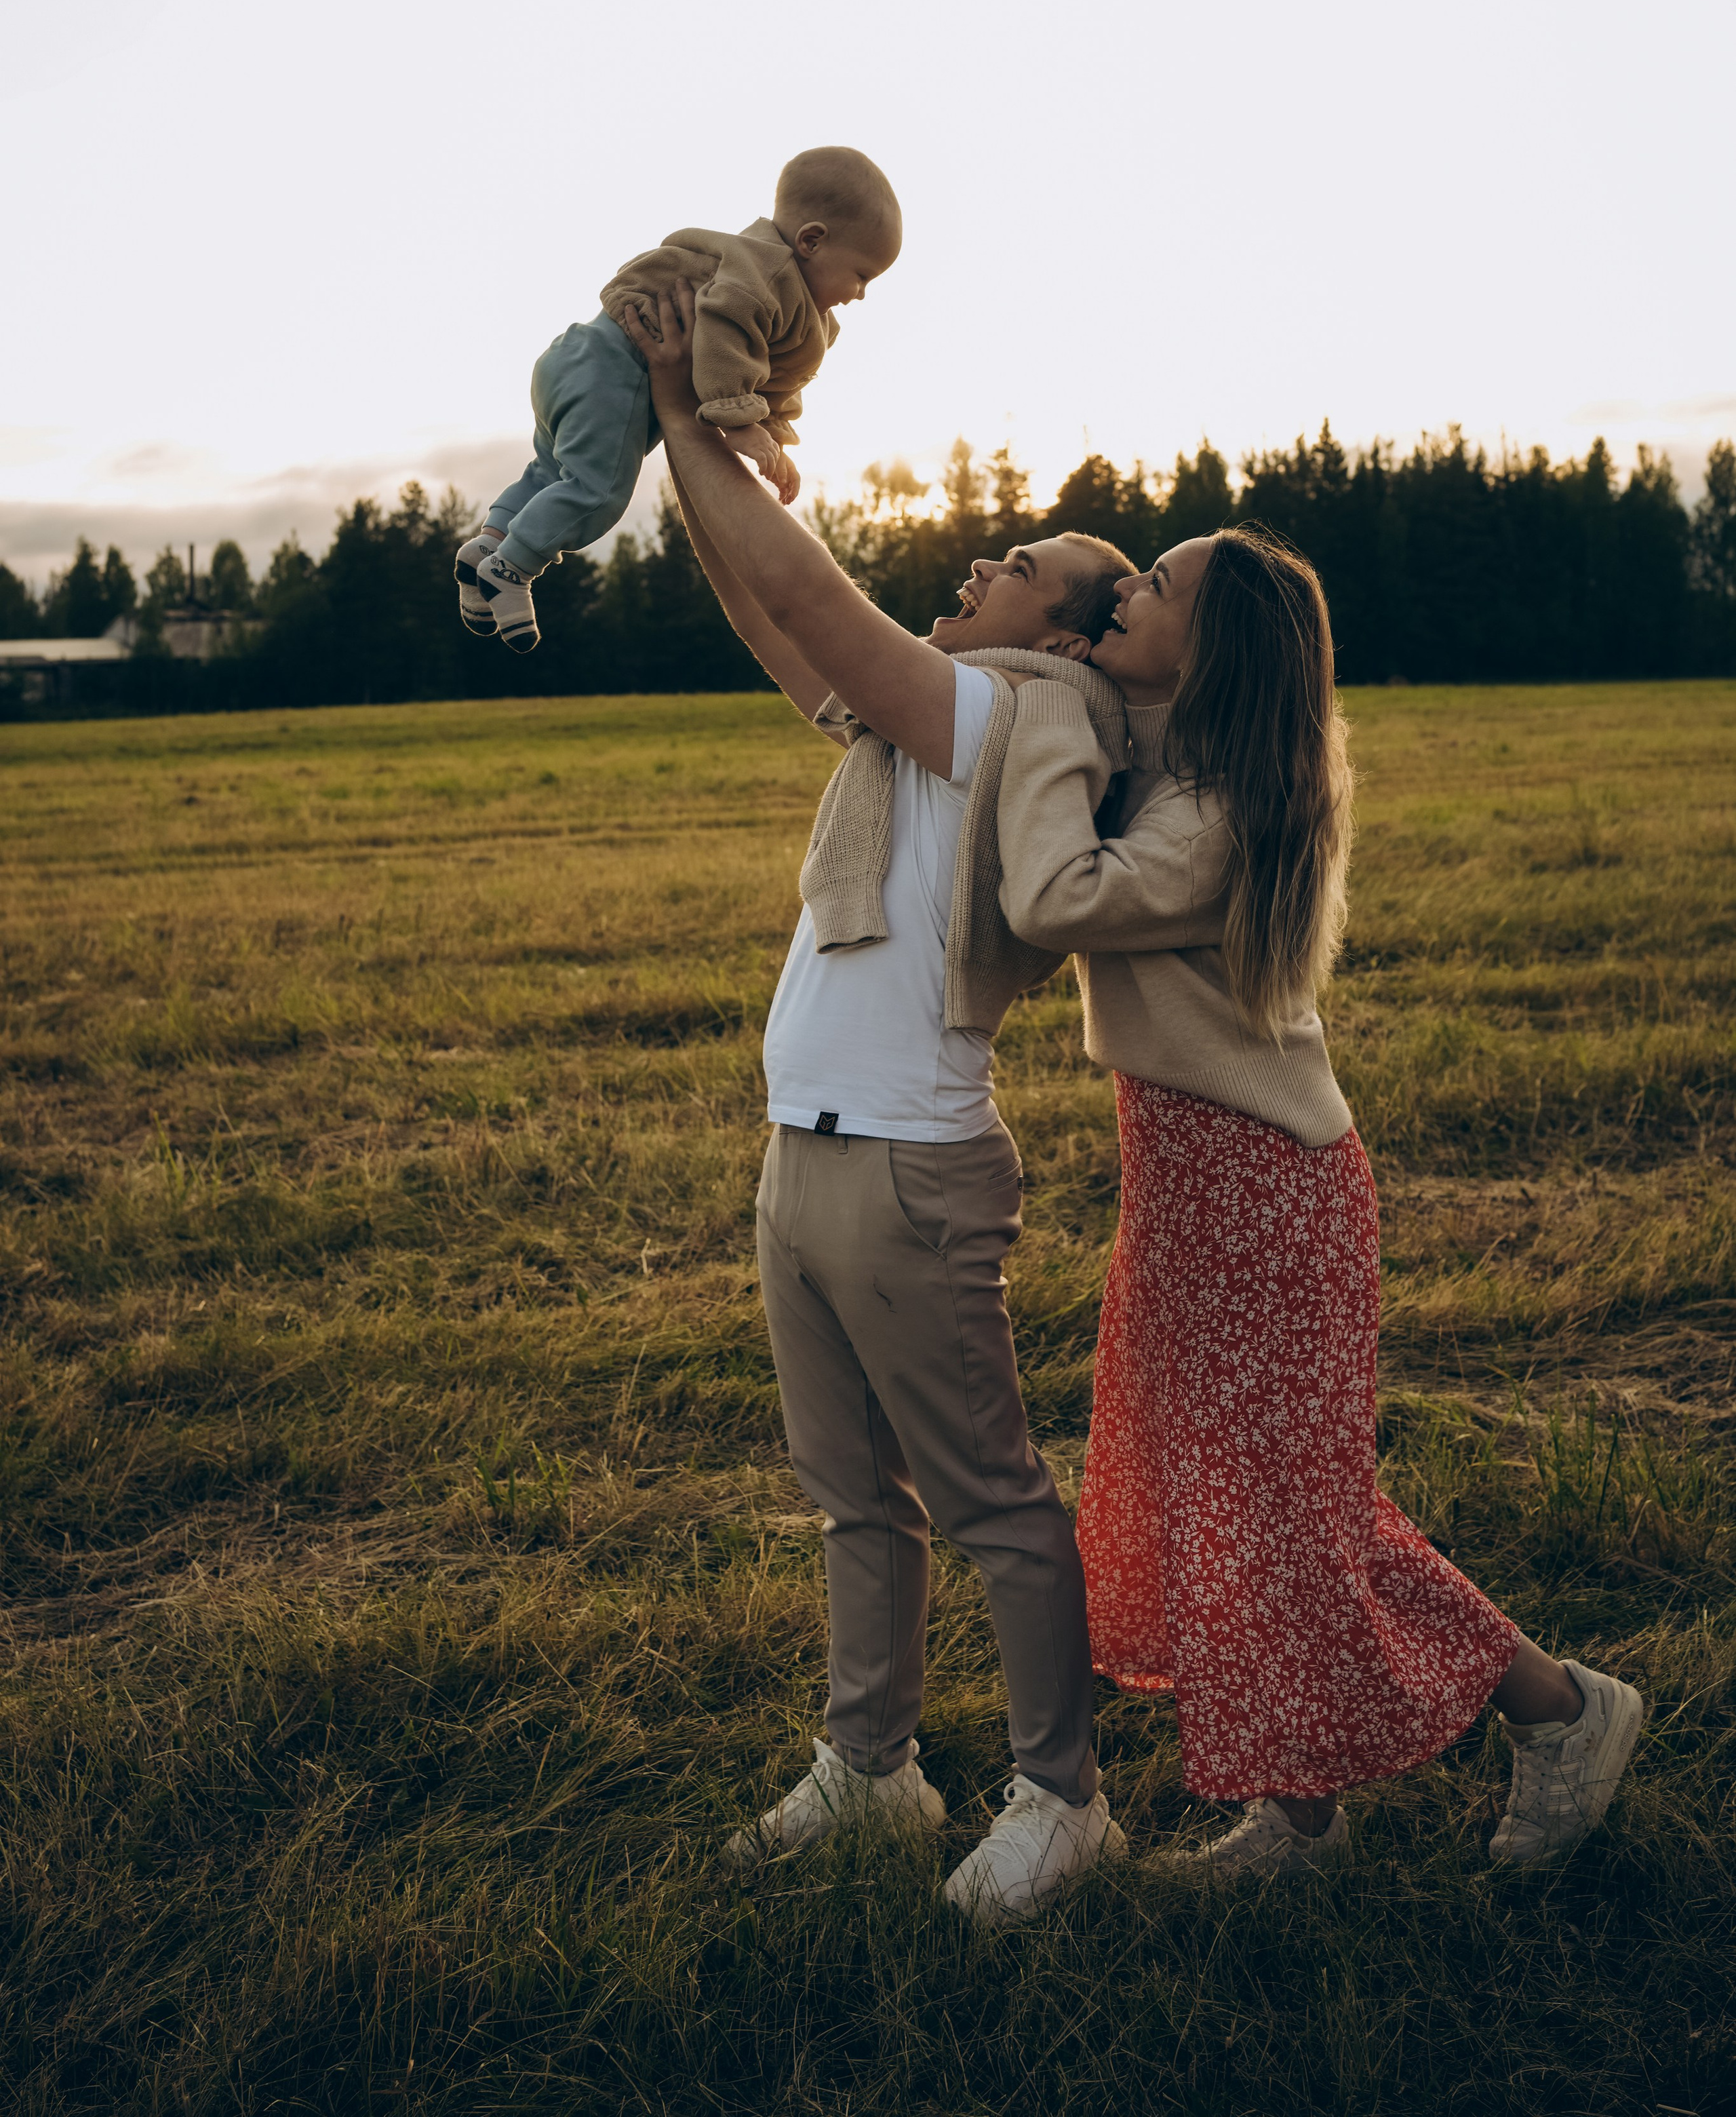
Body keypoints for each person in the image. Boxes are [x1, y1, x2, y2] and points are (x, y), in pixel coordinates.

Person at [994, 528, 1644, 1878]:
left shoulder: (1214, 811)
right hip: (1191, 1179)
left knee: (1296, 1517)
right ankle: (1295, 1818)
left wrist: (1054, 704)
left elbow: (1052, 896)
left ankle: (1561, 1711)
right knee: (1228, 1502)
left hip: (1258, 1194)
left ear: (1214, 648)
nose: (1124, 592)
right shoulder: (1186, 772)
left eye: (1152, 588)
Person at [631, 280, 1134, 1923]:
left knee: (986, 1495)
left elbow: (804, 586)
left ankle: (1063, 1797)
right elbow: (768, 612)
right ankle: (874, 1767)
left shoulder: (1004, 712)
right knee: (854, 1494)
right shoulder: (908, 725)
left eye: (1021, 567)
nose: (979, 560)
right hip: (807, 1153)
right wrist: (683, 448)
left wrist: (685, 409)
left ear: (1061, 637)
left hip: (912, 1165)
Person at [455, 147, 901, 652]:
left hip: (576, 357)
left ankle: (488, 545)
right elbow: (725, 334)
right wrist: (738, 422)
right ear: (812, 241)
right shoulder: (766, 276)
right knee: (597, 491)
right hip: (613, 372)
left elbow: (771, 377)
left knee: (549, 473)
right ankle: (511, 569)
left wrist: (773, 434)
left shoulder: (788, 297)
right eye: (862, 275)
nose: (862, 293)